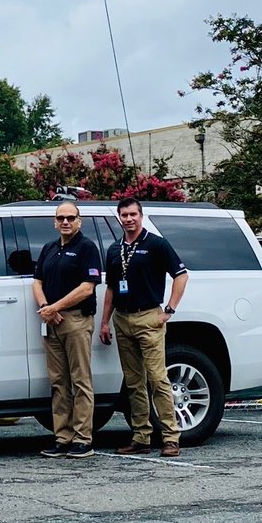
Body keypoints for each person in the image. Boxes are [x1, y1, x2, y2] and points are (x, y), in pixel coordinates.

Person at [99, 195, 189, 458]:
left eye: (133, 215)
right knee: (134, 381)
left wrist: (169, 309)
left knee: (157, 378)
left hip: (149, 317)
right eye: (124, 215)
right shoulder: (115, 249)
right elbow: (112, 288)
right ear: (119, 217)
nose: (129, 219)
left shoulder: (156, 244)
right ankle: (141, 436)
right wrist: (105, 321)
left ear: (141, 215)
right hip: (123, 319)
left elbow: (181, 275)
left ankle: (171, 437)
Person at [32, 199, 103, 459]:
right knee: (59, 382)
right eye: (61, 218)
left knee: (80, 380)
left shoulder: (87, 248)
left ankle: (83, 439)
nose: (65, 222)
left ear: (79, 221)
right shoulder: (49, 248)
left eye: (70, 218)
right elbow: (36, 281)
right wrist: (45, 307)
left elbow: (88, 287)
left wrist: (56, 308)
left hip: (75, 320)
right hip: (52, 322)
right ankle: (63, 437)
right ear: (54, 221)